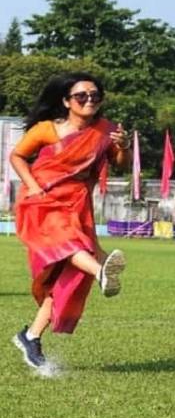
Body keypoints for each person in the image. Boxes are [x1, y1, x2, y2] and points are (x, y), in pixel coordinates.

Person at [9, 72, 132, 369]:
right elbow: (17, 157)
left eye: (95, 96)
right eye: (81, 96)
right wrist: (34, 186)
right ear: (67, 102)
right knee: (70, 245)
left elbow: (120, 166)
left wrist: (124, 147)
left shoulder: (108, 130)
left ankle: (31, 336)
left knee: (67, 276)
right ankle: (101, 270)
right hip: (41, 202)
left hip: (76, 204)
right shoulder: (46, 130)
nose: (89, 100)